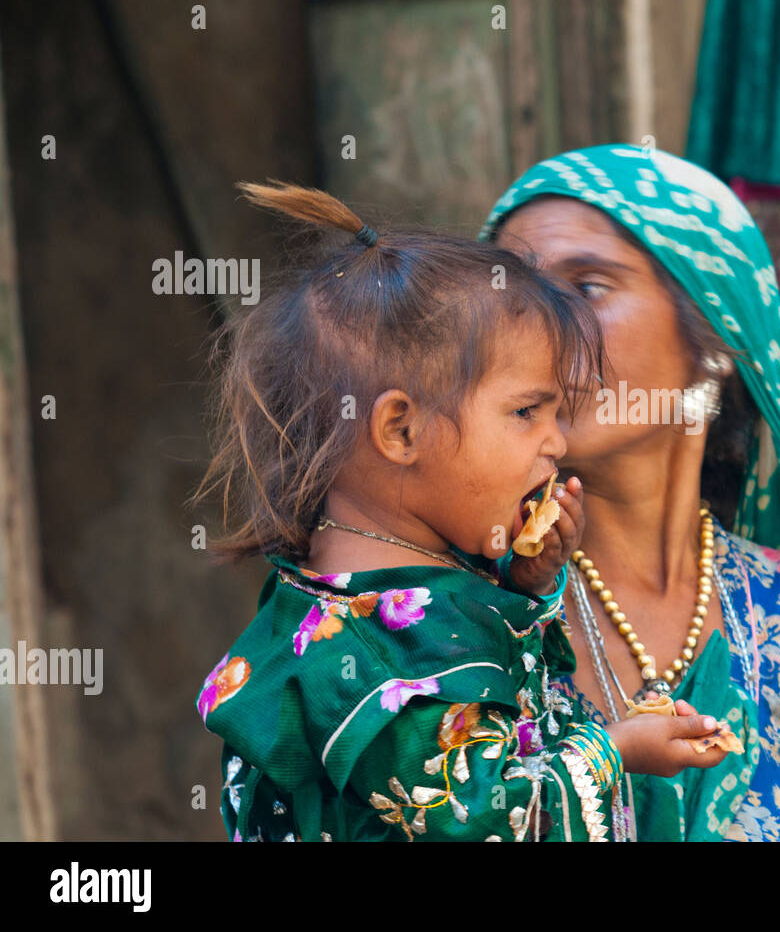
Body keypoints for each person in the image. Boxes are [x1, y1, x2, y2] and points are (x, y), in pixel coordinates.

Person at [193, 180, 729, 842]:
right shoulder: (360, 658)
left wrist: (524, 587)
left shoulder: (392, 595)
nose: (556, 443)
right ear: (402, 431)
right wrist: (619, 750)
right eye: (526, 412)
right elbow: (480, 814)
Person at [484, 146, 780, 841]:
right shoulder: (454, 611)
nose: (535, 326)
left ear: (718, 335)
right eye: (510, 296)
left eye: (588, 285)